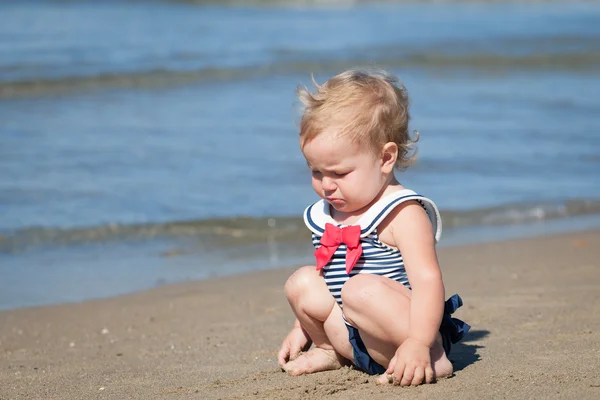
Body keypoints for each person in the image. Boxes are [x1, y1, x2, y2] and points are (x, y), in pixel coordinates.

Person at [277, 69, 469, 386]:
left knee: (359, 289)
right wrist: (302, 327)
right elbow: (328, 277)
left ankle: (433, 357)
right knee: (302, 281)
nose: (326, 185)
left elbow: (427, 281)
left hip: (406, 333)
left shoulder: (402, 212)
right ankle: (330, 351)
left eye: (339, 173)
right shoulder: (328, 213)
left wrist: (420, 341)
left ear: (385, 158)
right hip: (353, 337)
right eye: (316, 171)